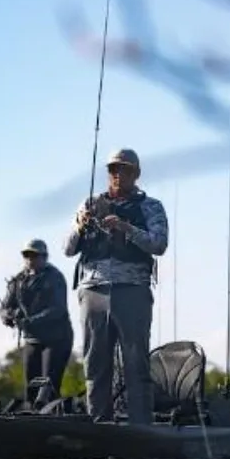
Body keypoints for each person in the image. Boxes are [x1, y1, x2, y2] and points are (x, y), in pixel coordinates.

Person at [63, 148, 169, 425]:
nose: (116, 175)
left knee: (136, 363)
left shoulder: (151, 206)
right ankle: (98, 424)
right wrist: (81, 226)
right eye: (112, 169)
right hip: (92, 290)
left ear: (135, 173)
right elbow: (67, 249)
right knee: (95, 363)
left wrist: (125, 228)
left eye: (123, 169)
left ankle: (140, 427)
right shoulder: (89, 204)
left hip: (131, 288)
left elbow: (159, 244)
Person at [0, 239, 74, 408]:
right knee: (31, 389)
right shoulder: (18, 281)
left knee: (48, 388)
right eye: (26, 255)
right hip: (32, 341)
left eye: (34, 255)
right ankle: (32, 421)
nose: (29, 259)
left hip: (57, 340)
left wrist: (30, 322)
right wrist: (7, 317)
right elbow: (4, 307)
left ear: (44, 257)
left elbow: (58, 309)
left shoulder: (55, 277)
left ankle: (55, 420)